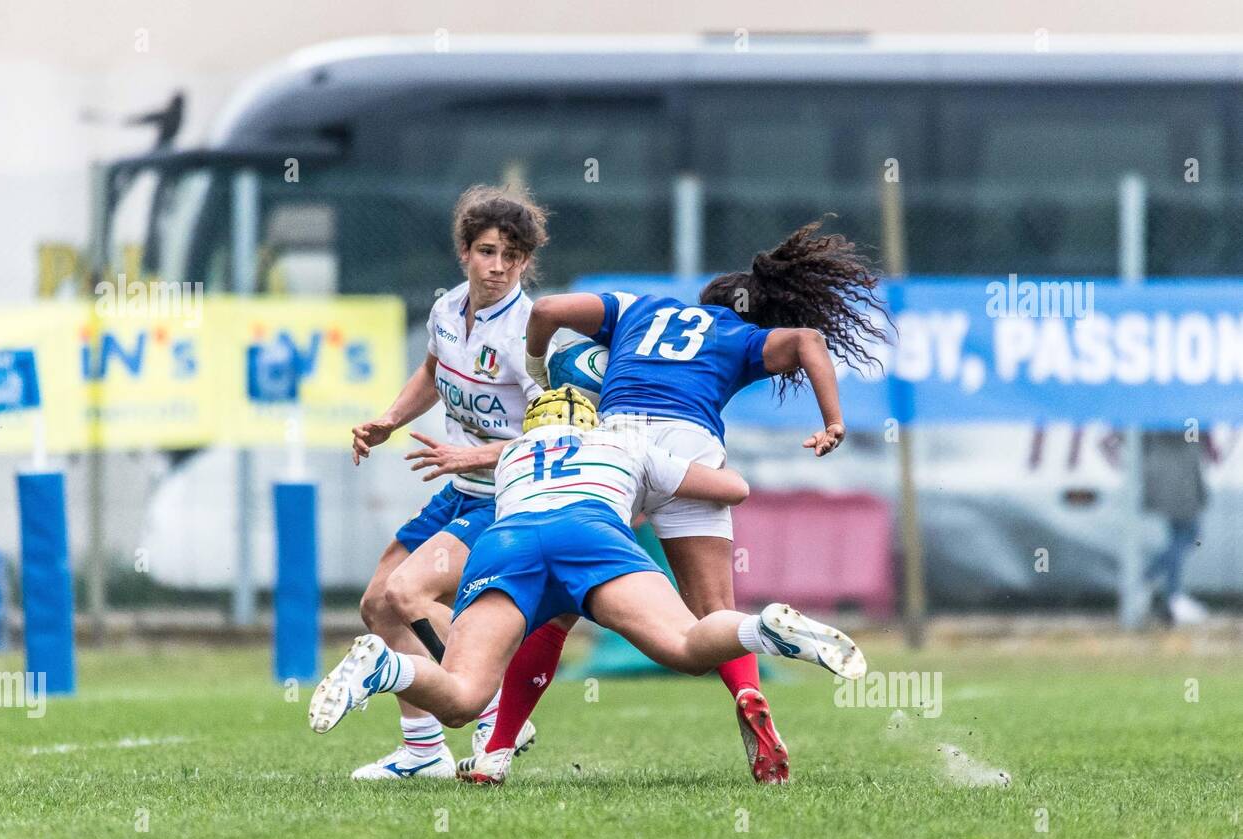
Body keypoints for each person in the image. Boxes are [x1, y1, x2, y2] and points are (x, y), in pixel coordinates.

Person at [490, 219, 887, 784]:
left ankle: (497, 750)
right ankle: (750, 692)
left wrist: (536, 374)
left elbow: (548, 309)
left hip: (618, 439)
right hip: (691, 451)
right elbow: (810, 342)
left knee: (556, 599)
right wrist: (833, 422)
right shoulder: (742, 336)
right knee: (714, 610)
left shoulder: (637, 307)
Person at [309, 387, 866, 785]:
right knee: (686, 645)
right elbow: (733, 488)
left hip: (509, 543)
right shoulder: (624, 445)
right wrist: (649, 488)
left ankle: (389, 668)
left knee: (462, 698)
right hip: (589, 535)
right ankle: (761, 628)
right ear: (592, 422)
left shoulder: (511, 457)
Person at [329, 184, 561, 781]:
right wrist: (389, 420)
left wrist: (474, 454)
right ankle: (423, 753)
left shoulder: (529, 334)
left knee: (409, 594)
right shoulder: (446, 309)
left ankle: (491, 705)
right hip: (462, 489)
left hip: (506, 498)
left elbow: (553, 438)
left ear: (526, 262)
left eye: (513, 257)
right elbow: (434, 370)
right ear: (464, 250)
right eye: (488, 251)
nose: (499, 267)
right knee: (379, 605)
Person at [1141, 430, 1213, 625]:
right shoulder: (1183, 412)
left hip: (1165, 478)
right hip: (1181, 481)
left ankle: (1170, 593)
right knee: (1189, 536)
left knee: (1180, 538)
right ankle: (1150, 580)